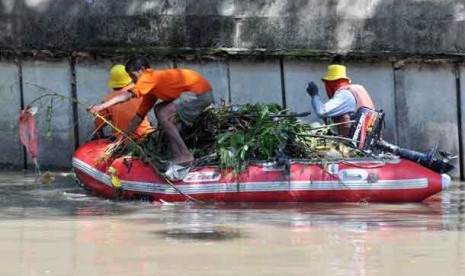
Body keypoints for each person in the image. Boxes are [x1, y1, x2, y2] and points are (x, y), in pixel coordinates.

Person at [88, 56, 214, 166]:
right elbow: (139, 116)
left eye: (133, 76)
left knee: (163, 113)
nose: (133, 81)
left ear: (142, 70)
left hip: (198, 94)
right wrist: (123, 139)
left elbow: (127, 95)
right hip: (194, 93)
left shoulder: (149, 77)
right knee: (159, 110)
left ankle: (185, 155)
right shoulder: (151, 88)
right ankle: (177, 154)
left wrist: (101, 107)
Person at [306, 64, 374, 137]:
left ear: (336, 82)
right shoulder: (357, 89)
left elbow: (321, 111)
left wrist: (314, 95)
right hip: (366, 137)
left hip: (353, 141)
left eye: (327, 83)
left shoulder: (344, 94)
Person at [93, 64, 154, 140]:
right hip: (147, 137)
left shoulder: (108, 100)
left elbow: (98, 124)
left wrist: (97, 135)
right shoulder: (139, 90)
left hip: (124, 142)